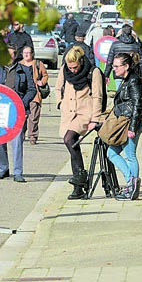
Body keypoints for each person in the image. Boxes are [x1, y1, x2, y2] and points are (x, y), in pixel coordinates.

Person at [56, 45, 107, 199]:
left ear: (81, 62)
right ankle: (78, 185)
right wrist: (60, 103)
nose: (73, 70)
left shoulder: (93, 72)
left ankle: (80, 177)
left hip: (85, 113)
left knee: (69, 139)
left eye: (75, 67)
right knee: (72, 146)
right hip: (68, 113)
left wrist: (95, 119)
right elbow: (59, 88)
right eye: (70, 67)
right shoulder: (64, 69)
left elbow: (98, 96)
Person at [0, 46, 37, 182]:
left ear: (15, 55)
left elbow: (31, 89)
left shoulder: (24, 70)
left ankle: (18, 172)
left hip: (17, 110)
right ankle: (3, 168)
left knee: (17, 141)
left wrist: (21, 103)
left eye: (11, 55)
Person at [108, 52, 142, 200]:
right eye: (113, 66)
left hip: (131, 124)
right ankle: (131, 182)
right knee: (111, 153)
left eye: (117, 66)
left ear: (127, 66)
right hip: (124, 123)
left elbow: (138, 104)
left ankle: (132, 187)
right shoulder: (125, 80)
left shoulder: (134, 81)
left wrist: (132, 128)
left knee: (130, 156)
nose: (114, 69)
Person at [20, 45, 48, 145]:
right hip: (22, 95)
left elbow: (45, 75)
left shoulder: (37, 64)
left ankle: (33, 136)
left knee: (33, 117)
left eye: (28, 53)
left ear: (32, 54)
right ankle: (21, 135)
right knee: (22, 116)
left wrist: (42, 82)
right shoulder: (19, 65)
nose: (26, 55)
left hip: (35, 93)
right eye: (24, 53)